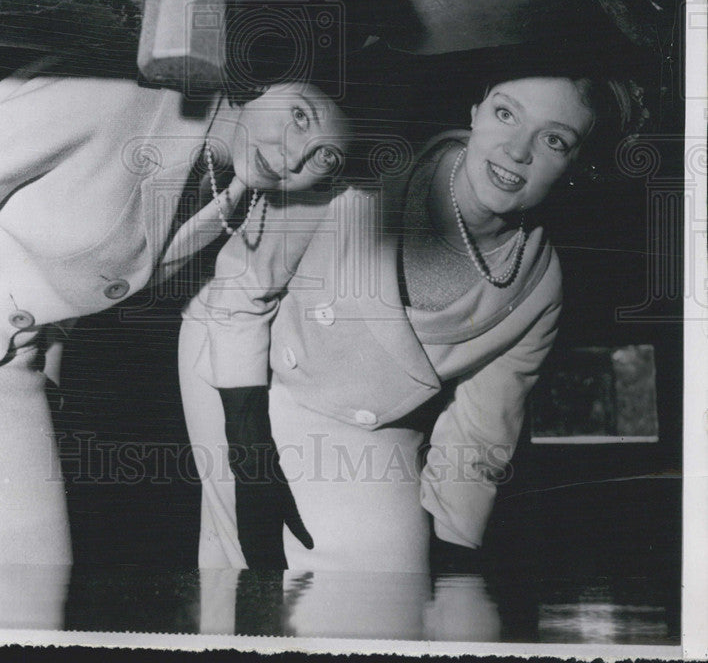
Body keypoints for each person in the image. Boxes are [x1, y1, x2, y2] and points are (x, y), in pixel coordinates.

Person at [0, 50, 352, 630]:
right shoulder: (120, 92)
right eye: (300, 116)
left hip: (12, 367)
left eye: (325, 156)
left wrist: (49, 372)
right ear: (263, 82)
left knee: (32, 600)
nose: (297, 155)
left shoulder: (233, 197)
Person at [179, 66, 642, 588]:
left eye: (554, 140)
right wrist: (250, 463)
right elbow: (241, 291)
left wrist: (457, 566)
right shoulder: (371, 160)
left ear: (578, 164)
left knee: (397, 597)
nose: (517, 150)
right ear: (475, 111)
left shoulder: (540, 285)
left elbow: (480, 433)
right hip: (249, 366)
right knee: (248, 572)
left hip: (379, 422)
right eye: (505, 113)